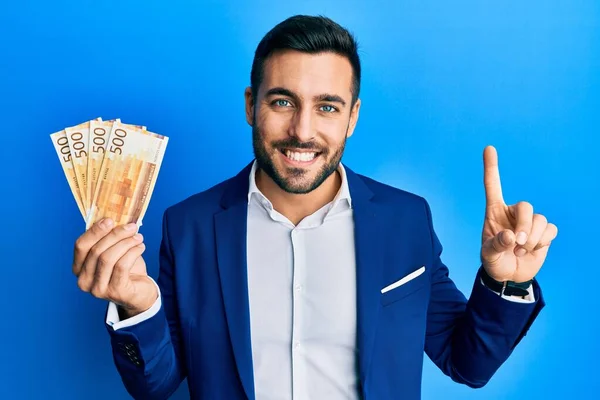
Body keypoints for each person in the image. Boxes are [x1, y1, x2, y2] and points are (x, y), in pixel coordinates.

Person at [72, 15, 558, 400]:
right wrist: (137, 308)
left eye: (327, 106)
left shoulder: (405, 220)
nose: (303, 131)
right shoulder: (190, 226)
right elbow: (155, 385)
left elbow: (466, 363)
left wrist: (504, 281)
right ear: (250, 105)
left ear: (352, 117)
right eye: (283, 102)